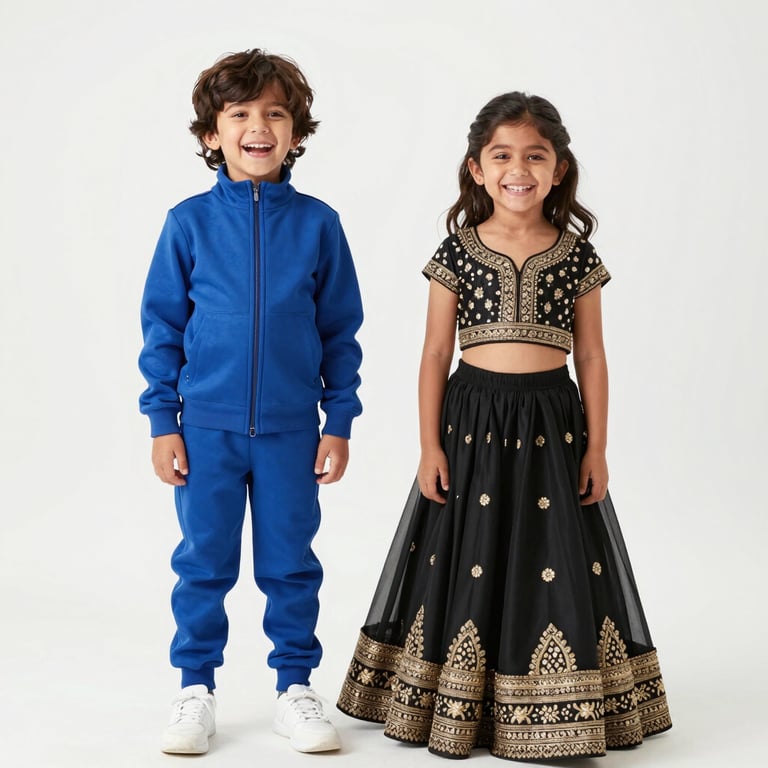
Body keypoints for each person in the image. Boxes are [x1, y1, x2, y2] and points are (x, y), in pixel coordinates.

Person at [337, 92, 671, 761]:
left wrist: (598, 446)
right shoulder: (457, 249)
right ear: (477, 169)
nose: (518, 168)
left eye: (535, 156)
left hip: (552, 419)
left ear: (558, 169)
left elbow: (594, 355)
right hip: (472, 421)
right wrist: (429, 443)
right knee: (470, 552)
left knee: (552, 555)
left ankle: (555, 706)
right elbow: (435, 352)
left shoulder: (574, 253)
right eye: (502, 155)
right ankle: (462, 706)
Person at [138, 48, 363, 755]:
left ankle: (294, 687)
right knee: (203, 560)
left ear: (296, 132)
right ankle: (195, 688)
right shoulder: (188, 224)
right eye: (239, 114)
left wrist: (340, 421)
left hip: (294, 431)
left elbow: (340, 331)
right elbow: (163, 328)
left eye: (275, 113)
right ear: (212, 134)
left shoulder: (320, 225)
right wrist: (161, 422)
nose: (258, 127)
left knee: (290, 561)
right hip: (204, 428)